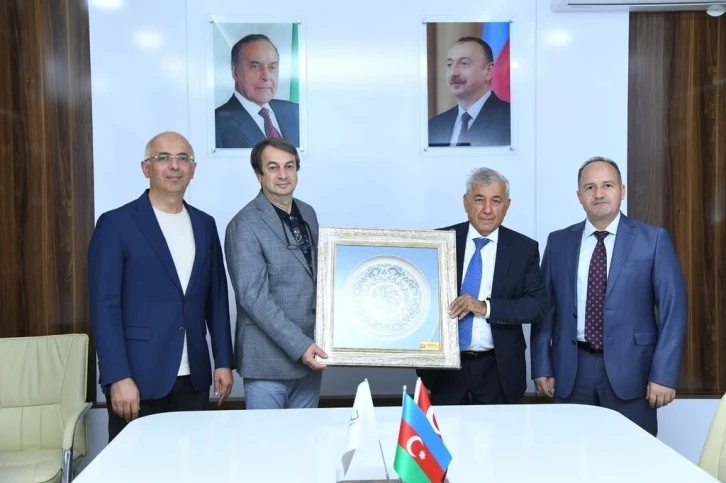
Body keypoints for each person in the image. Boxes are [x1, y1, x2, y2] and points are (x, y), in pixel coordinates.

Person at [88, 131, 234, 442]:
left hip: (194, 378)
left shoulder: (205, 224)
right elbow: (104, 307)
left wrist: (223, 361)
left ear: (193, 169)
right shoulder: (116, 224)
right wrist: (117, 376)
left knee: (194, 463)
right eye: (163, 158)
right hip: (137, 379)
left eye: (183, 158)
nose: (174, 166)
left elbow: (217, 299)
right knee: (136, 465)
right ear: (146, 168)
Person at [530, 156, 687, 436]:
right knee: (569, 453)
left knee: (631, 456)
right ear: (579, 196)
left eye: (607, 185)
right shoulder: (558, 242)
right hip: (572, 370)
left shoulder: (653, 240)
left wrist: (664, 373)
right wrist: (541, 365)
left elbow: (673, 310)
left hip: (633, 372)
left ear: (622, 190)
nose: (599, 193)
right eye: (590, 187)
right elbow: (545, 310)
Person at [417, 167, 547, 405]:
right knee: (444, 429)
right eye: (479, 200)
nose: (487, 209)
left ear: (507, 206)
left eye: (495, 201)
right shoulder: (438, 241)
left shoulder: (524, 248)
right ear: (466, 202)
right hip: (445, 369)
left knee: (497, 430)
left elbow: (536, 306)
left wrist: (485, 307)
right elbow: (419, 297)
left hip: (498, 368)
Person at [225, 137, 327, 409]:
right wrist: (300, 346)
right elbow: (253, 298)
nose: (283, 174)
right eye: (273, 167)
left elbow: (321, 279)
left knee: (305, 434)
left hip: (311, 356)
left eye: (289, 166)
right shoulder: (243, 224)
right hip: (268, 361)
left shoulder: (308, 213)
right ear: (259, 175)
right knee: (266, 436)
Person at [215, 34, 300, 149]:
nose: (266, 77)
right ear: (235, 72)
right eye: (255, 67)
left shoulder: (296, 112)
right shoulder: (216, 124)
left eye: (272, 67)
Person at [428, 37, 511, 147]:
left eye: (464, 63)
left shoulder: (512, 119)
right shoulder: (434, 126)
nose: (453, 72)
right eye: (449, 64)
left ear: (488, 71)